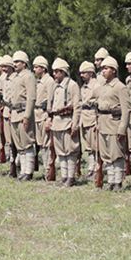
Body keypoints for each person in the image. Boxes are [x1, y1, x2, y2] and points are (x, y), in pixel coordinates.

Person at [95, 56, 130, 191]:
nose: (103, 71)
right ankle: (110, 180)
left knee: (116, 153)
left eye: (106, 68)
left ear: (114, 70)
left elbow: (126, 109)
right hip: (103, 123)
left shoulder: (120, 87)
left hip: (114, 123)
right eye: (102, 68)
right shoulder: (102, 87)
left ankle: (118, 181)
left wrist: (122, 128)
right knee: (106, 154)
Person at [48, 58, 82, 186]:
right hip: (57, 122)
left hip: (67, 121)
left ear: (63, 72)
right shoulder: (54, 86)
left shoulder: (72, 85)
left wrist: (75, 124)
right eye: (54, 72)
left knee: (70, 151)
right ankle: (64, 176)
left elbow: (77, 106)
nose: (55, 74)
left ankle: (71, 177)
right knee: (60, 151)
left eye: (57, 72)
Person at [9, 51, 38, 181]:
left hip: (23, 113)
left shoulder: (29, 76)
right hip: (15, 113)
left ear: (24, 63)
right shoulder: (15, 77)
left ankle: (29, 171)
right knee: (19, 145)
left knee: (27, 143)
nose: (15, 64)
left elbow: (31, 98)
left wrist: (27, 115)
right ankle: (23, 170)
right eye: (14, 62)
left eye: (17, 62)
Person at [77, 61, 99, 181]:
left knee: (95, 146)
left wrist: (97, 121)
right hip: (84, 118)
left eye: (84, 72)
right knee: (89, 147)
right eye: (81, 73)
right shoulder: (83, 87)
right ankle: (91, 168)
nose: (82, 75)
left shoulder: (96, 86)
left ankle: (97, 168)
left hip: (92, 117)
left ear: (91, 72)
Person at [33, 55, 53, 175]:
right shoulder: (38, 81)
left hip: (44, 114)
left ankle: (48, 170)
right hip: (37, 114)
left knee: (46, 144)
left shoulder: (49, 81)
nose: (34, 70)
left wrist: (49, 118)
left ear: (43, 68)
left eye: (36, 67)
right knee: (40, 143)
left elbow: (50, 99)